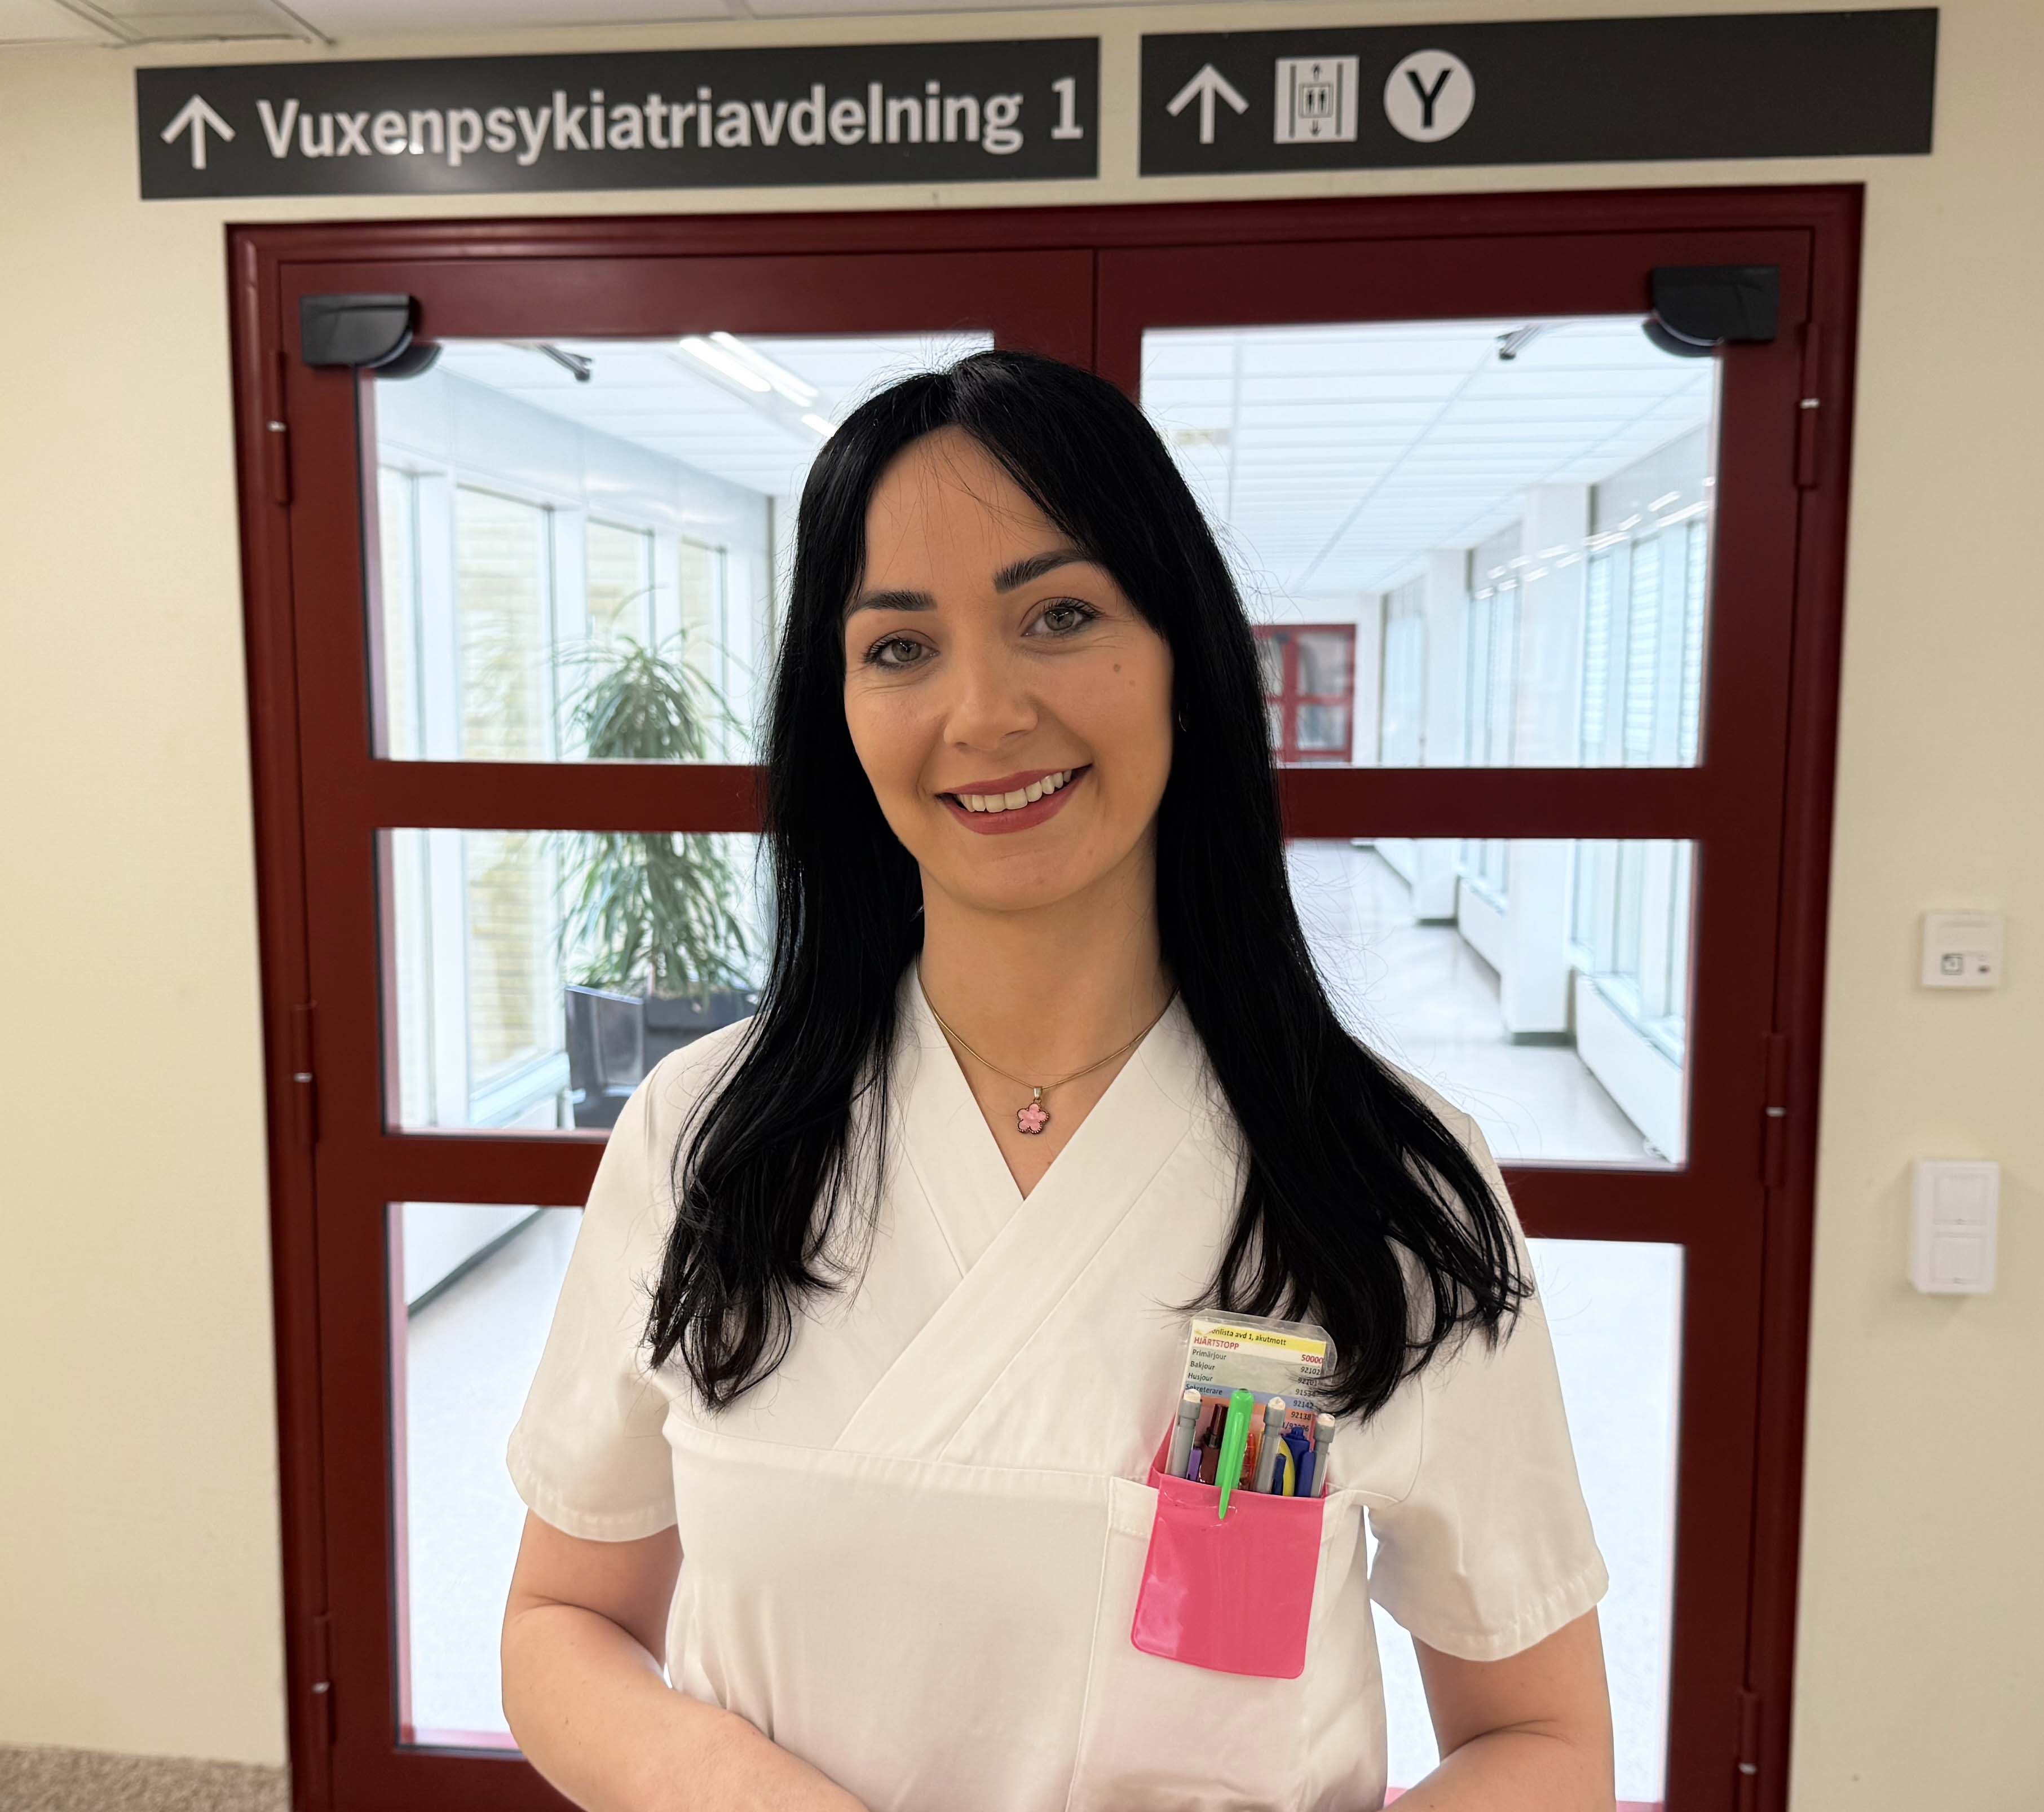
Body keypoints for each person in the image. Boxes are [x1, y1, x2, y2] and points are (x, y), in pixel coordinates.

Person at [500, 350, 1612, 1811]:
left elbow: (1544, 1742)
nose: (984, 712)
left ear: (1184, 662)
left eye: (1061, 616)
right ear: (838, 711)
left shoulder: (1380, 1181)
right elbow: (561, 1617)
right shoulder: (706, 1138)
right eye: (901, 646)